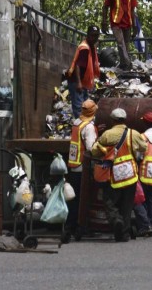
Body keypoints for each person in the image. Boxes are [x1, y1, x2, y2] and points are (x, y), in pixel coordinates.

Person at [91, 108, 147, 242]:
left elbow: (94, 151)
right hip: (130, 176)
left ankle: (116, 220)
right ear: (125, 119)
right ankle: (124, 235)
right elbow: (144, 147)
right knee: (127, 206)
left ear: (112, 120)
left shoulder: (107, 135)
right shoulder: (133, 134)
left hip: (113, 176)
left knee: (110, 202)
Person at [66, 99, 99, 237]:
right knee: (83, 200)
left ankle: (70, 226)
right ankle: (81, 227)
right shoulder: (89, 127)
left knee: (74, 200)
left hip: (73, 164)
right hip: (83, 167)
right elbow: (91, 148)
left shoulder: (77, 123)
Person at [101, 0, 138, 70]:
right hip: (116, 22)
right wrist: (104, 22)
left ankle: (124, 66)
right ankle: (128, 64)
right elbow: (105, 7)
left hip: (127, 22)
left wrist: (135, 27)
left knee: (126, 46)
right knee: (121, 44)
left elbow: (133, 11)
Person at [66, 25, 101, 119]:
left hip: (83, 81)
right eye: (93, 35)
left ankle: (85, 125)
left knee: (85, 106)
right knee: (79, 107)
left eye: (97, 36)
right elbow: (77, 65)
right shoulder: (85, 48)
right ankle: (81, 128)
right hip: (77, 81)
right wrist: (79, 83)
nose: (95, 38)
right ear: (88, 35)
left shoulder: (90, 47)